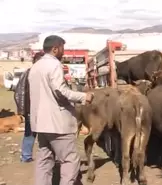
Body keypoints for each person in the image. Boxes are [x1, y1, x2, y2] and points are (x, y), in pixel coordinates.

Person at [28, 35, 94, 185]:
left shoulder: (35, 67)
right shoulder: (54, 65)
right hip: (57, 123)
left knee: (44, 160)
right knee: (69, 160)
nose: (63, 52)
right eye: (62, 48)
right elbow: (60, 91)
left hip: (41, 123)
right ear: (55, 49)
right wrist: (84, 97)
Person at [14, 51, 44, 163]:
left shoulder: (35, 73)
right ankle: (26, 156)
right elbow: (19, 93)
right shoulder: (29, 73)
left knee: (38, 133)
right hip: (32, 109)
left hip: (40, 108)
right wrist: (23, 110)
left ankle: (40, 157)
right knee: (30, 133)